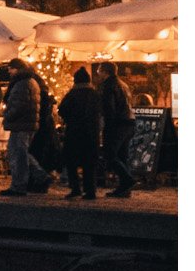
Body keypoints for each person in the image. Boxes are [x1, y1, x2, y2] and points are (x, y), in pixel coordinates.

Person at [58, 67, 103, 199]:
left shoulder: (72, 94)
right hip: (91, 132)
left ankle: (75, 188)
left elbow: (62, 110)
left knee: (71, 161)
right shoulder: (95, 94)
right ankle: (90, 190)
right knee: (89, 163)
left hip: (74, 131)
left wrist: (69, 119)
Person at [0, 60, 42, 196]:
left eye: (10, 69)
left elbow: (19, 105)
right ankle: (40, 176)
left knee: (18, 155)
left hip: (21, 124)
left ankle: (19, 186)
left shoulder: (22, 83)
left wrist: (7, 115)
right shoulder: (30, 81)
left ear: (17, 69)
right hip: (26, 123)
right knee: (21, 153)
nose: (9, 72)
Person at [98, 63, 137, 198]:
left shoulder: (109, 85)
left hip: (117, 123)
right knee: (122, 155)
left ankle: (127, 180)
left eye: (99, 71)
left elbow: (109, 107)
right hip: (129, 122)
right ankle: (124, 189)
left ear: (105, 72)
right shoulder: (123, 84)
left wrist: (107, 125)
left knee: (110, 154)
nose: (98, 74)